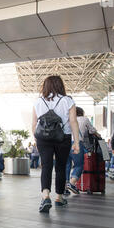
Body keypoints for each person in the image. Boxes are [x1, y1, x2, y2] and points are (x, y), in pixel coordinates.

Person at [32, 76, 80, 213]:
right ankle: (59, 197)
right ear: (61, 85)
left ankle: (45, 196)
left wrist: (37, 140)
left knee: (46, 166)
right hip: (62, 137)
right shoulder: (68, 100)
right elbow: (73, 122)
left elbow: (34, 124)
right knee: (61, 166)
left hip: (43, 138)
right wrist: (76, 142)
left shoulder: (38, 101)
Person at [65, 107, 101, 195]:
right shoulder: (84, 119)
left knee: (67, 165)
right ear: (81, 112)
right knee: (79, 165)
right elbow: (92, 130)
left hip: (65, 144)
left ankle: (64, 187)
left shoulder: (67, 120)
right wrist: (98, 134)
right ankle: (72, 183)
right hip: (76, 143)